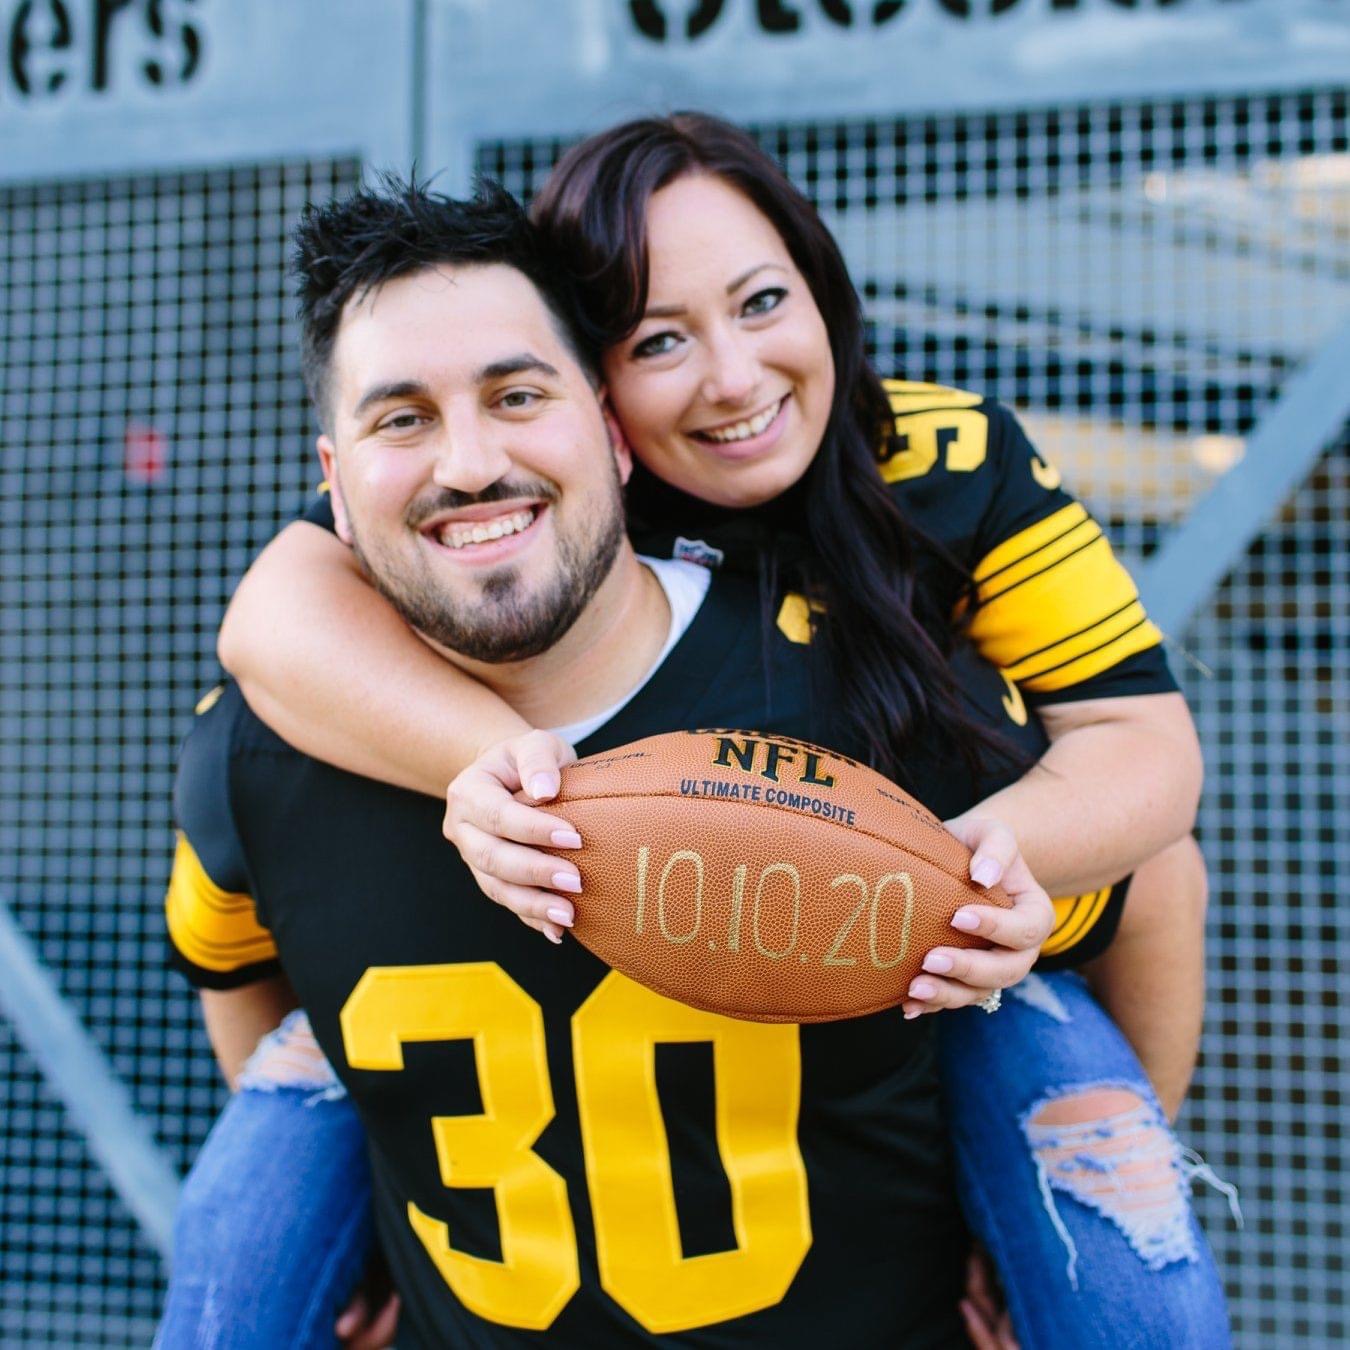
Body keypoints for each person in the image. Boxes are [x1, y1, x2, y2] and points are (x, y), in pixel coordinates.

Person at [210, 117, 1226, 1346]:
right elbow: (270, 619)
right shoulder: (484, 501)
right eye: (659, 339)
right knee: (237, 1243)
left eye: (760, 302)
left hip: (934, 909)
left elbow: (1145, 773)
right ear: (610, 394)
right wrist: (491, 772)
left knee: (1124, 1249)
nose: (734, 378)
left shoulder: (942, 462)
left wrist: (960, 879)